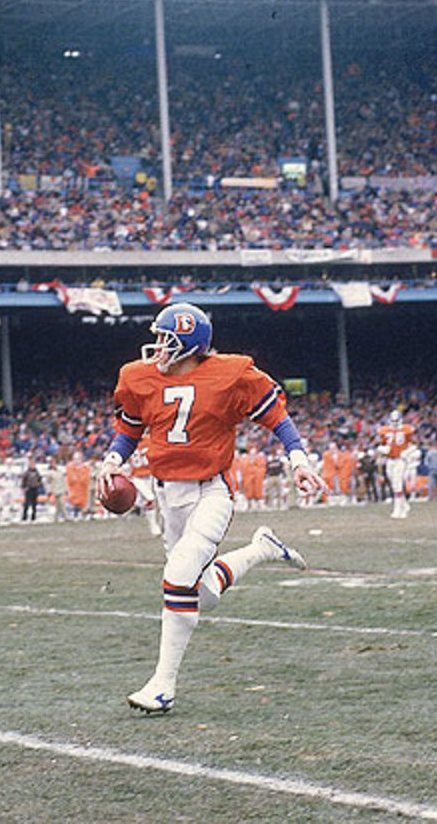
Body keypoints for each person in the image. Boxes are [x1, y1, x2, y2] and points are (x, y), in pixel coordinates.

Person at [95, 303, 325, 714]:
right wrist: (113, 461)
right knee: (201, 594)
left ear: (189, 344)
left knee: (178, 575)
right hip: (168, 497)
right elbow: (129, 428)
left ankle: (162, 687)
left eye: (166, 341)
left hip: (210, 492)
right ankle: (262, 549)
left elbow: (277, 419)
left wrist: (300, 461)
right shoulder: (139, 377)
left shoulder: (230, 374)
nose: (157, 348)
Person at [377, 409, 414, 519]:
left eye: (396, 420)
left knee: (397, 484)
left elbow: (414, 444)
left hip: (400, 460)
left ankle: (398, 510)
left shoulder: (406, 429)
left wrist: (407, 452)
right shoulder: (384, 431)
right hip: (389, 460)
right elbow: (382, 445)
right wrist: (382, 449)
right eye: (392, 420)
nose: (394, 422)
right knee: (394, 484)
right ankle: (404, 505)